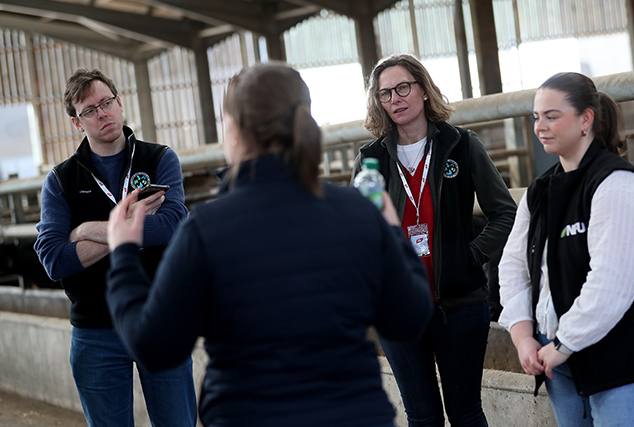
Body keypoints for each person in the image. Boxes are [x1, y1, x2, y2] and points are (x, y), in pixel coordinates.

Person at [103, 62, 434, 427]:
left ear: (234, 130)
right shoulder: (357, 212)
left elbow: (155, 347)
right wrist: (391, 229)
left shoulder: (206, 230)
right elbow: (409, 320)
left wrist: (124, 256)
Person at [498, 72, 634, 426]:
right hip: (556, 357)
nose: (540, 127)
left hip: (623, 357)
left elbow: (611, 282)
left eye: (552, 116)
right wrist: (523, 337)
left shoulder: (617, 183)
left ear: (586, 119)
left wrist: (564, 344)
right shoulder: (539, 192)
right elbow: (513, 267)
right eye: (536, 117)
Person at [352, 53, 517, 427]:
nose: (395, 99)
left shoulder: (461, 145)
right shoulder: (371, 160)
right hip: (398, 309)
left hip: (459, 304)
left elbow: (505, 213)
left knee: (465, 413)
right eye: (385, 93)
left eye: (403, 88)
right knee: (422, 417)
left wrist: (471, 256)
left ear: (424, 90)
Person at [34, 69, 196, 427]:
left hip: (161, 318)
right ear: (77, 123)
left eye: (106, 102)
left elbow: (172, 225)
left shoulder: (159, 159)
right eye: (89, 110)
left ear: (120, 103)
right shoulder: (61, 180)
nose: (102, 113)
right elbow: (54, 260)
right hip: (95, 330)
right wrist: (131, 223)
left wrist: (84, 231)